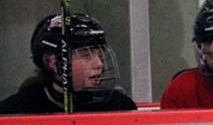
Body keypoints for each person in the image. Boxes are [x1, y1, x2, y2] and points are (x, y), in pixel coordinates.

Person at [0, 13, 137, 114]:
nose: (99, 64)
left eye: (99, 55)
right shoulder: (16, 110)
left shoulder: (119, 106)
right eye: (86, 56)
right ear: (54, 63)